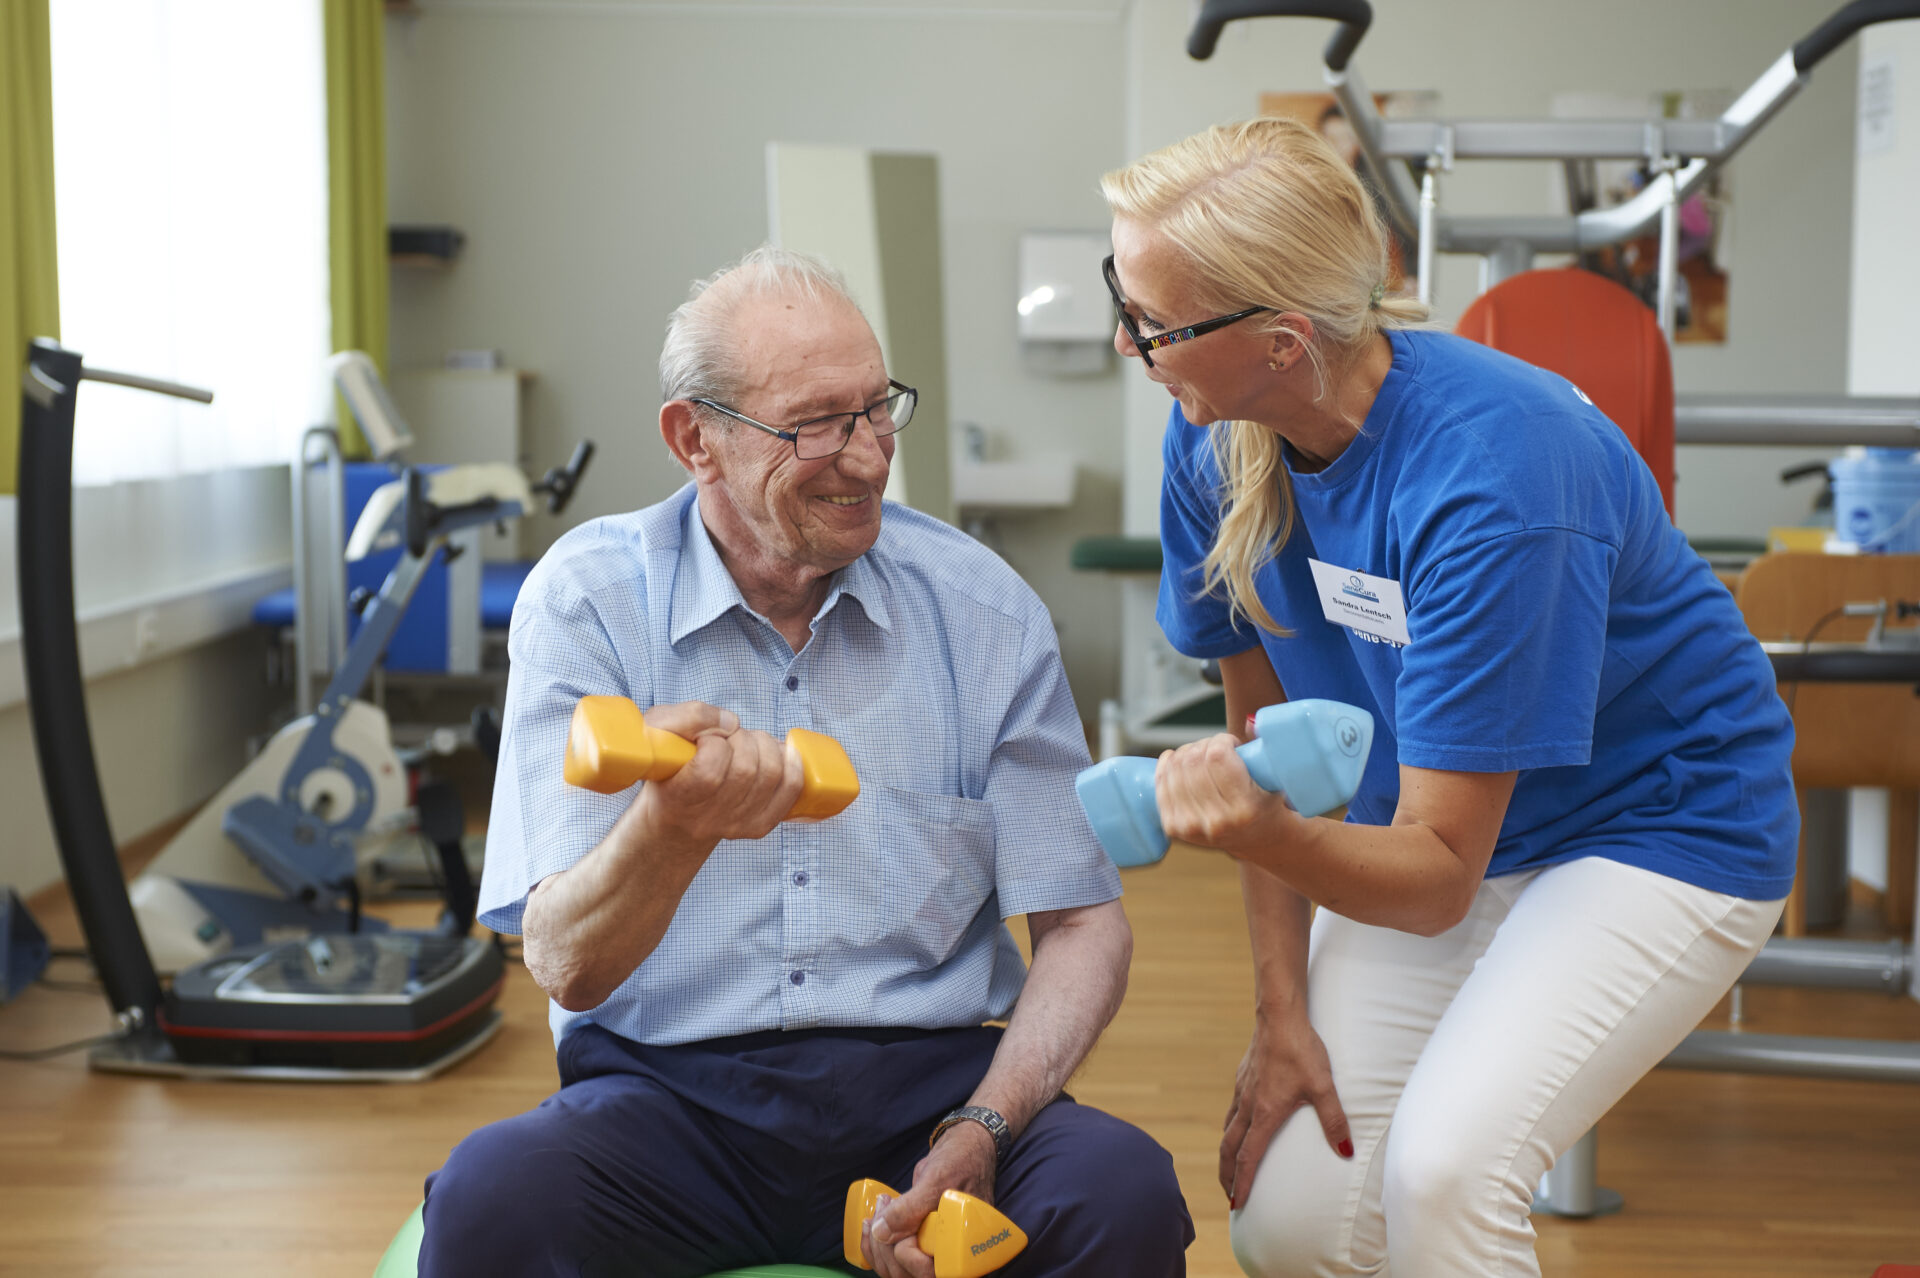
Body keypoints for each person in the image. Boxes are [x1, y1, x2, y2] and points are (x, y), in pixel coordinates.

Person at [1099, 118, 1795, 1278]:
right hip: (1432, 826)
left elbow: (1429, 881)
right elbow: (1261, 745)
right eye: (1122, 299)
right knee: (1293, 1223)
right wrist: (1282, 1012)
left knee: (1446, 1176)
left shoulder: (1497, 476)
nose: (1127, 343)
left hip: (1656, 824)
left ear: (1281, 342)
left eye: (1151, 323)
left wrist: (1258, 832)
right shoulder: (1213, 437)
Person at [419, 245, 1193, 1278]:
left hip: (931, 1089)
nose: (868, 458)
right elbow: (565, 962)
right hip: (665, 1102)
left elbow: (1082, 925)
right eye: (817, 425)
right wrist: (674, 828)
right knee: (492, 1200)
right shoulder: (589, 603)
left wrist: (986, 1125)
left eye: (877, 410)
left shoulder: (985, 610)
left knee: (1121, 1191)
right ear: (695, 439)